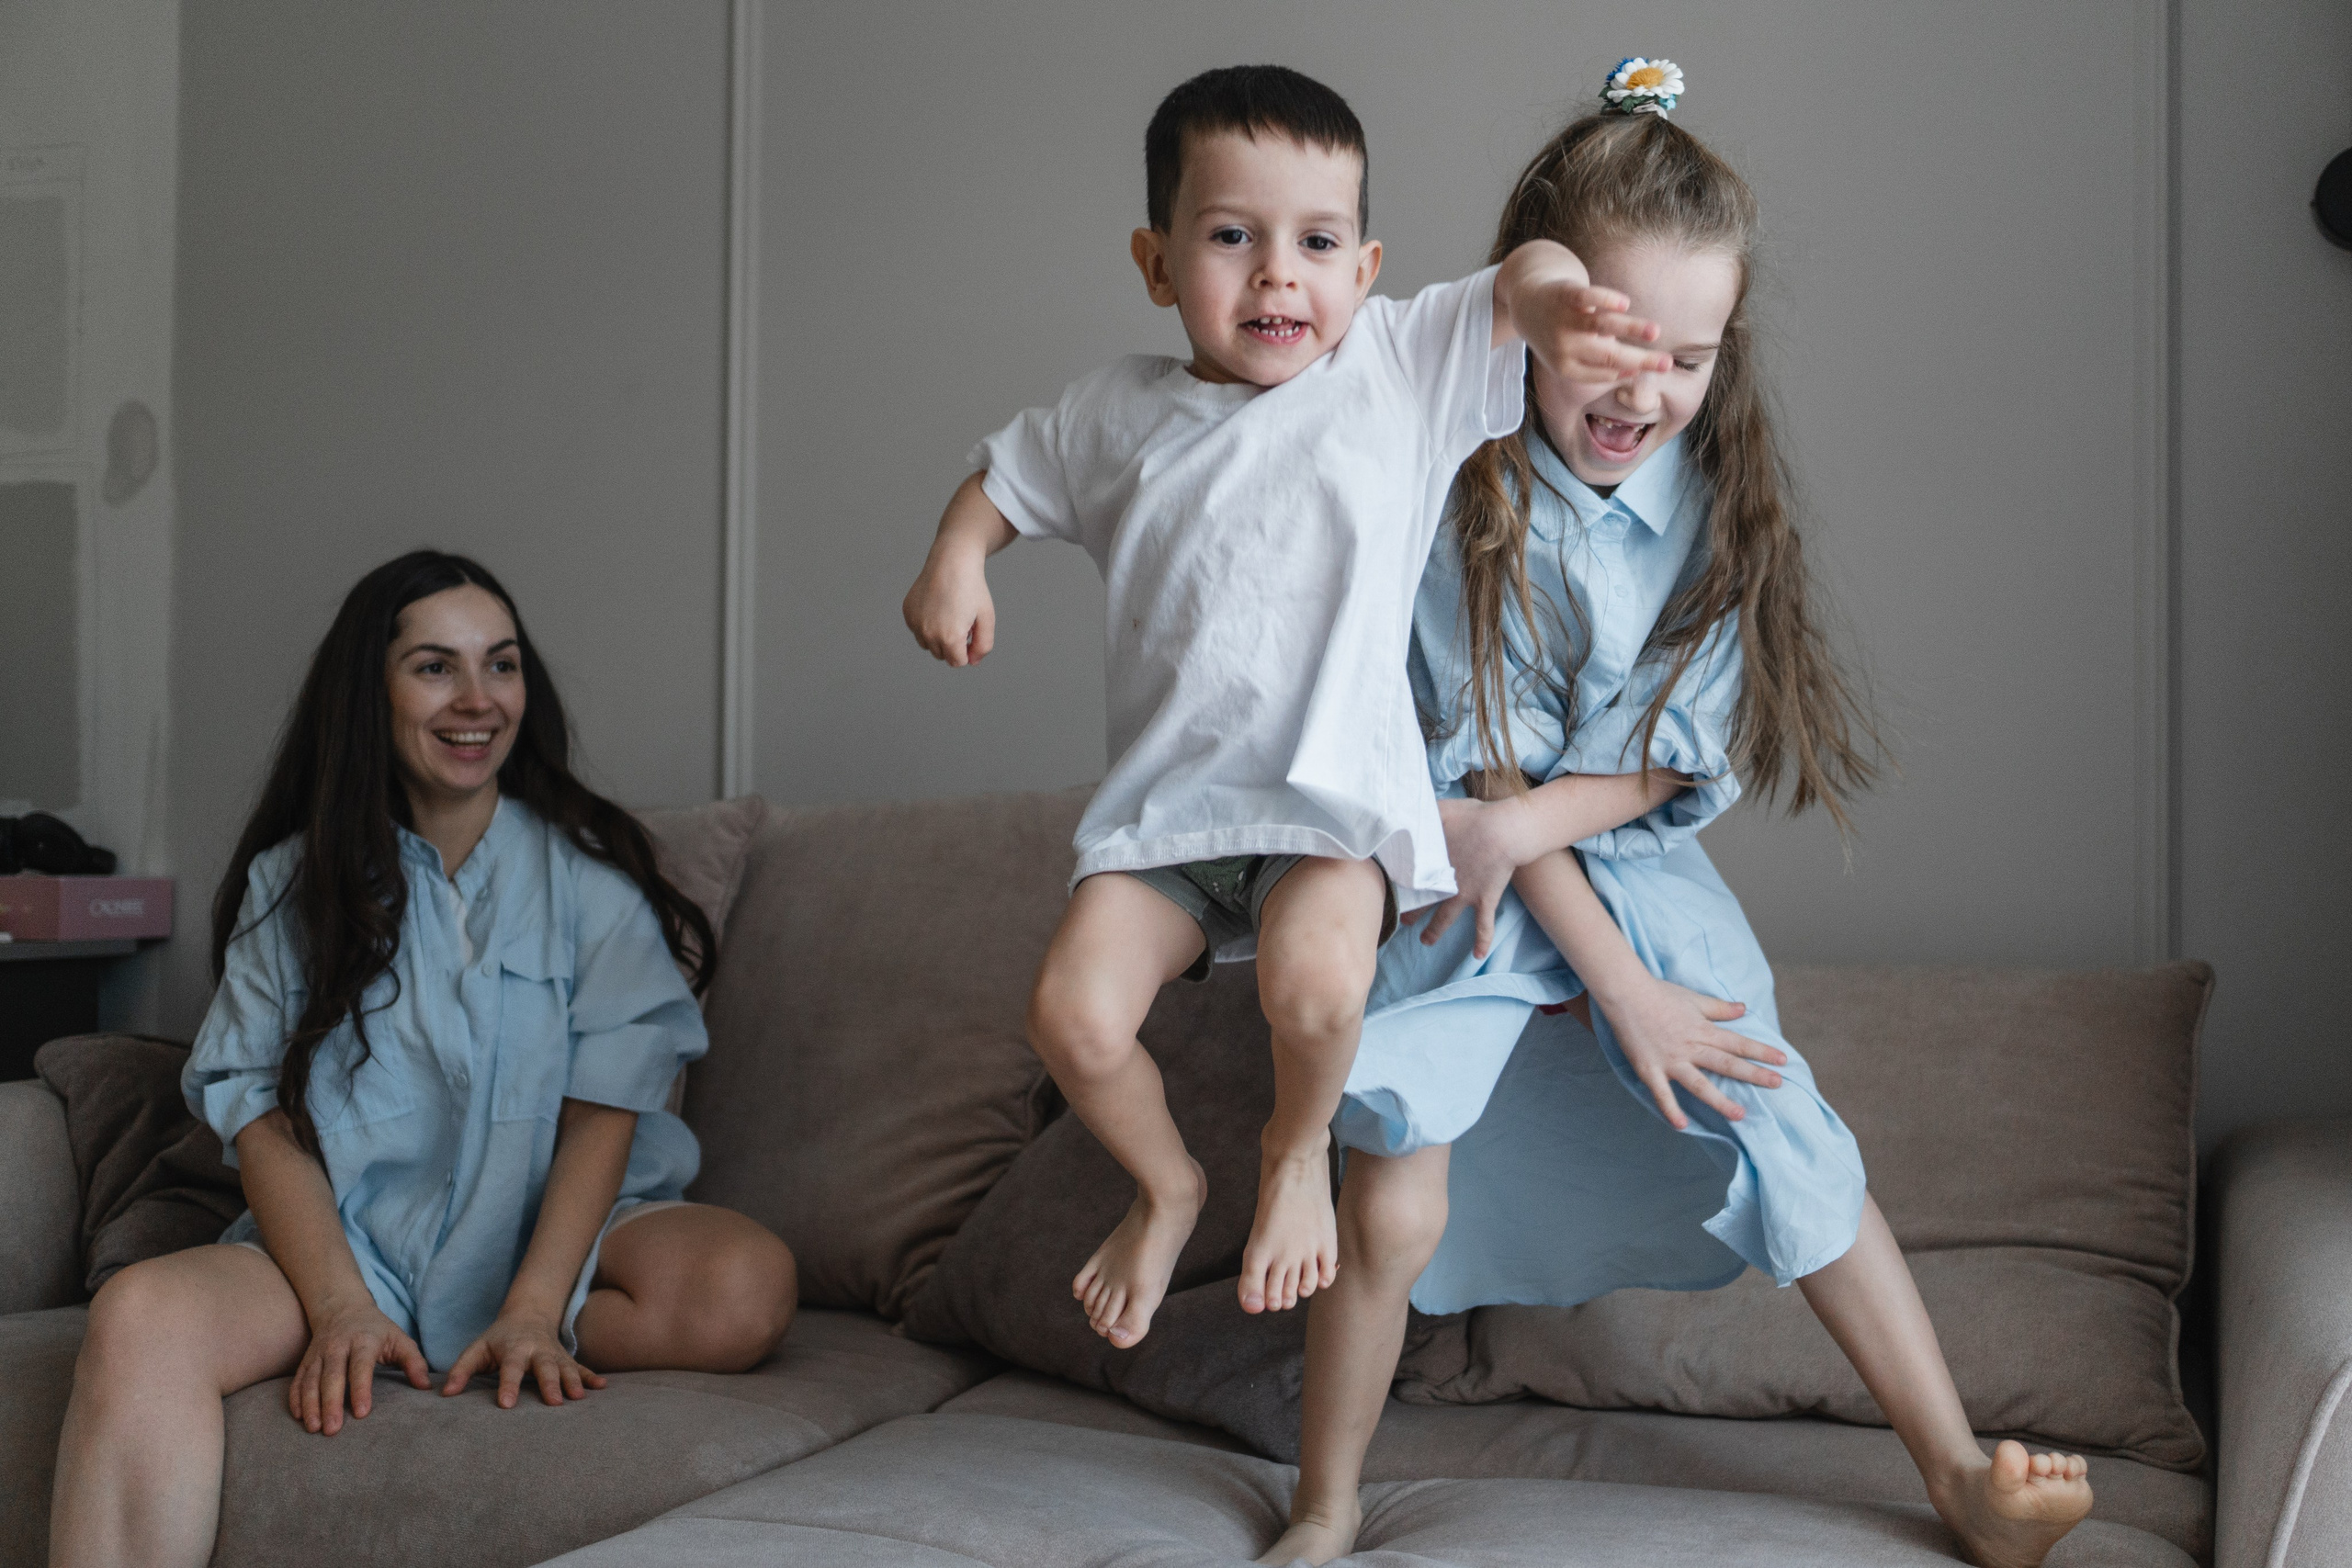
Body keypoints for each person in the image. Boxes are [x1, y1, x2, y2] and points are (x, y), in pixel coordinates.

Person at [1267, 67, 2096, 1568]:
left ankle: (1961, 1472)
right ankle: (1325, 1504)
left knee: (1795, 1146)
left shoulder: (1711, 515)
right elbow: (1484, 804)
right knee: (1391, 1200)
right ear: (1532, 314)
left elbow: (1665, 760)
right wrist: (1597, 962)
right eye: (1618, 344)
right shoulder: (1455, 491)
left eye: (1692, 356)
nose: (1646, 391)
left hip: (1627, 872)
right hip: (1469, 887)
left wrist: (1608, 924)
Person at [902, 64, 1671, 1352]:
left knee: (1318, 994)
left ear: (1366, 267)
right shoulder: (1117, 412)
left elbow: (1523, 270)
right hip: (1168, 823)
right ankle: (1169, 1184)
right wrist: (956, 559)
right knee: (1073, 1016)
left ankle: (1293, 1143)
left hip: (1328, 813)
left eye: (1317, 242)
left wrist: (1563, 307)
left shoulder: (1394, 372)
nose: (1277, 277)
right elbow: (1003, 478)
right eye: (1229, 237)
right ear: (1156, 261)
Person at [49, 551, 797, 1568]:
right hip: (346, 1245)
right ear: (374, 691)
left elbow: (603, 1115)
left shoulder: (590, 886)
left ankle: (499, 1321)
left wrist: (535, 1308)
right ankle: (398, 1328)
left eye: (502, 665)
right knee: (139, 1314)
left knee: (745, 1282)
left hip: (555, 1241)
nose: (478, 700)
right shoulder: (291, 887)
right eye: (436, 667)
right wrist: (340, 1308)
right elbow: (259, 1116)